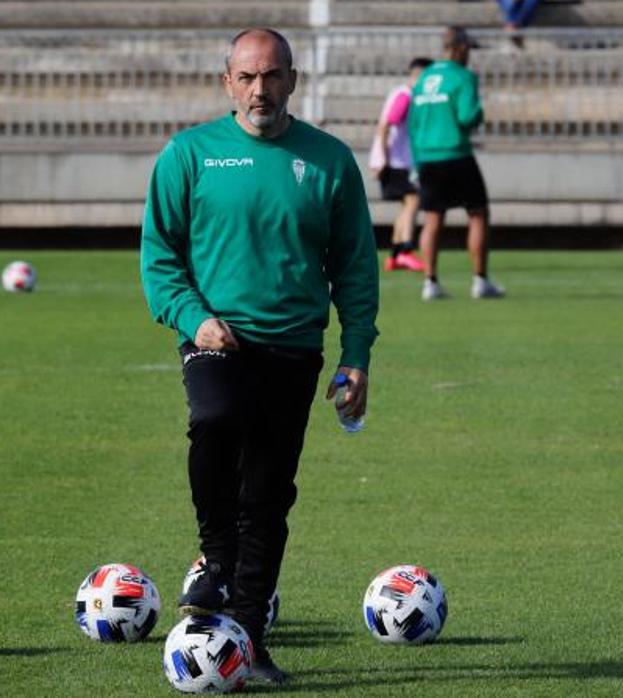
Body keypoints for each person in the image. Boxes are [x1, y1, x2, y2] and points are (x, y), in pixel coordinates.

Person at [140, 27, 378, 684]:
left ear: (292, 81)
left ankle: (246, 637)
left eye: (272, 76)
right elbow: (159, 260)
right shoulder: (189, 155)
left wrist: (355, 356)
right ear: (227, 82)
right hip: (216, 338)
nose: (260, 89)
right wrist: (196, 319)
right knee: (215, 420)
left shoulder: (328, 161)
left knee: (269, 494)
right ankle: (216, 558)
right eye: (246, 77)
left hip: (295, 347)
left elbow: (356, 268)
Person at [407, 26, 503, 301]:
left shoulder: (424, 77)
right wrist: (479, 112)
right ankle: (480, 280)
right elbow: (467, 116)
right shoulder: (464, 77)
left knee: (433, 218)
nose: (470, 54)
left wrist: (416, 161)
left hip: (427, 156)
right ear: (459, 48)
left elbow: (413, 123)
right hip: (456, 153)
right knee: (478, 213)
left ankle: (430, 282)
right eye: (469, 48)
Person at [369, 57, 432, 273]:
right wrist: (383, 157)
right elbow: (386, 125)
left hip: (398, 160)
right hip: (396, 161)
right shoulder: (406, 95)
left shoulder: (404, 94)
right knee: (413, 200)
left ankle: (395, 255)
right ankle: (405, 250)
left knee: (406, 205)